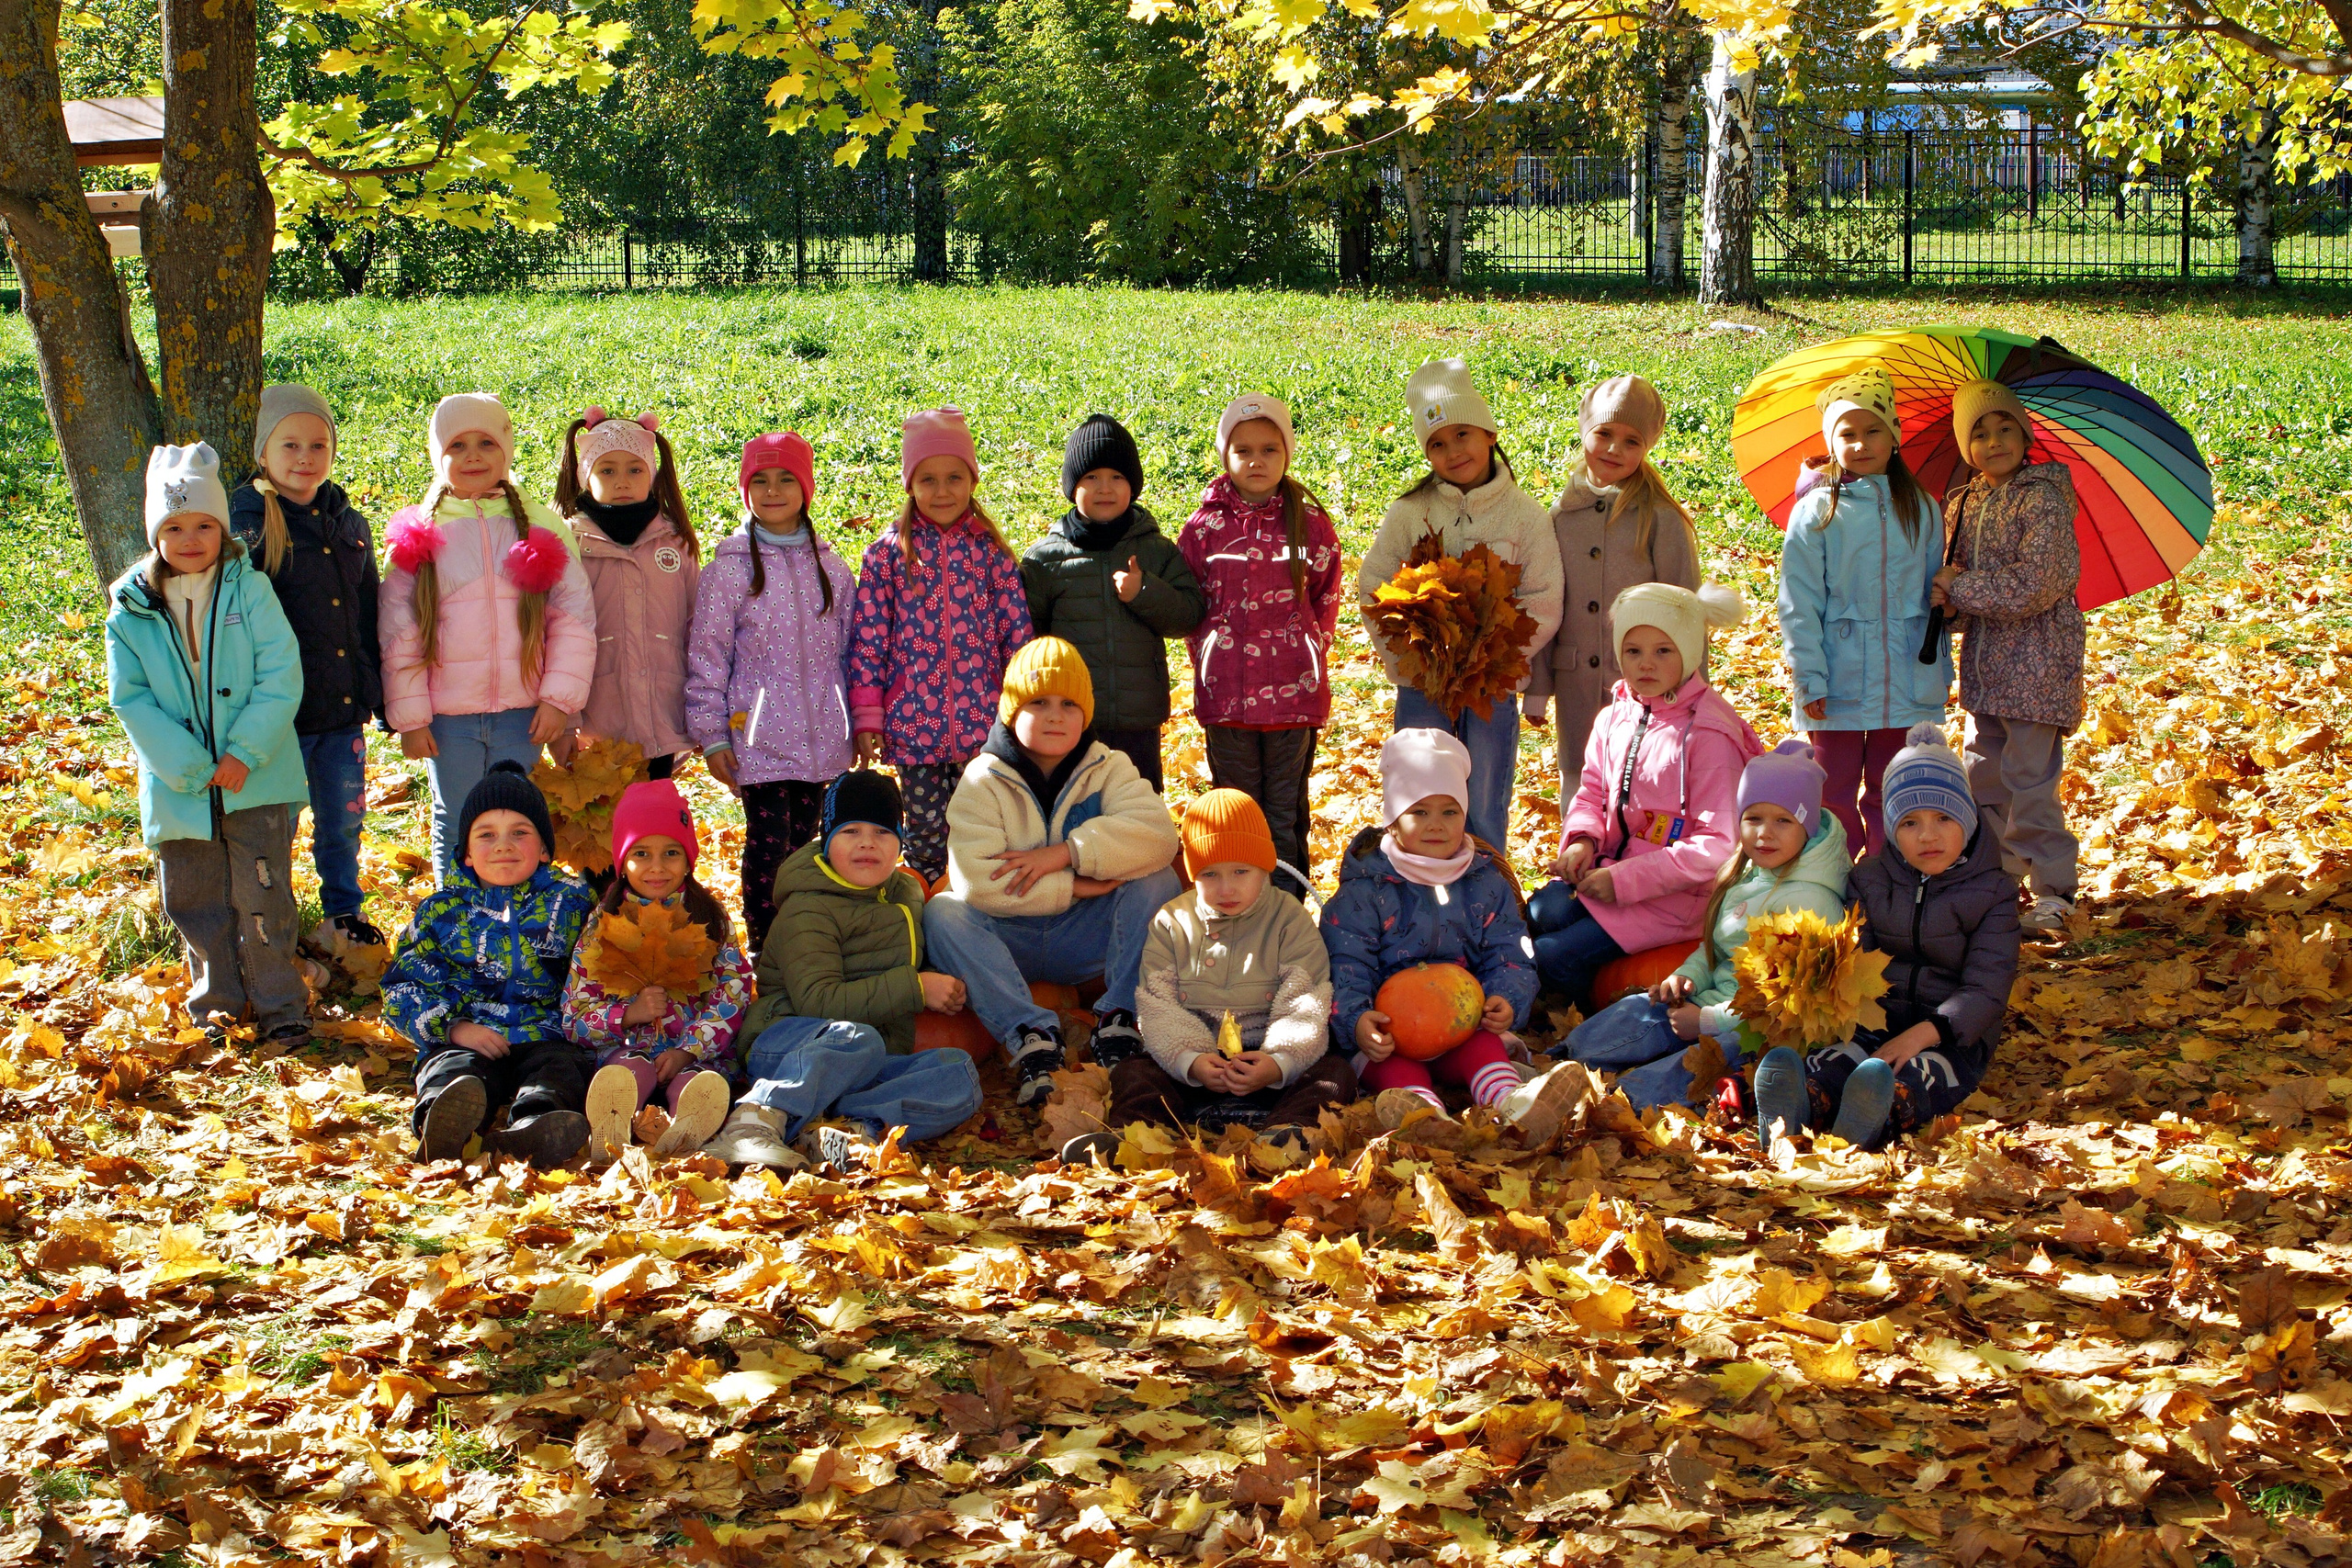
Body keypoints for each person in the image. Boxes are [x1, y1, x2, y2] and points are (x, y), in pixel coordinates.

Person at [107, 443, 312, 1051]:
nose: (190, 537)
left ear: (222, 527)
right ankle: (217, 1006)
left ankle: (281, 1005)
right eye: (174, 526)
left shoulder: (249, 591)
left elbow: (282, 674)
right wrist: (191, 766)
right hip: (180, 787)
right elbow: (131, 697)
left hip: (257, 776)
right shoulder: (130, 607)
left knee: (264, 893)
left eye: (203, 524)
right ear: (155, 532)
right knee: (194, 899)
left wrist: (243, 751)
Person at [920, 638, 1184, 1108]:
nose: (1055, 716)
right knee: (944, 911)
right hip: (1007, 943)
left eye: (1068, 704)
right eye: (1038, 703)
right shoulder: (983, 779)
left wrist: (1065, 852)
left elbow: (1158, 836)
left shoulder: (1109, 767)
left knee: (1158, 881)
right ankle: (1031, 1037)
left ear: (1085, 713)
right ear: (1010, 710)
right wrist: (1076, 885)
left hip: (1087, 942)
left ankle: (1118, 1020)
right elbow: (977, 880)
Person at [1751, 726, 2022, 1148]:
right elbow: (1856, 960)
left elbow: (1986, 988)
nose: (1927, 836)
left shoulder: (1994, 892)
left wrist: (1921, 1035)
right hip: (1874, 1020)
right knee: (1838, 1060)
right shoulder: (1869, 879)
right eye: (1909, 822)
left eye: (1943, 818)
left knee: (1920, 1076)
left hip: (1951, 1036)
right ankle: (1799, 1106)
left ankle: (1877, 1115)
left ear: (1967, 820)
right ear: (1892, 827)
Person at [707, 771, 985, 1171]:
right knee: (857, 1039)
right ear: (827, 840)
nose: (867, 842)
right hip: (790, 1043)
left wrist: (948, 983)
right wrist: (916, 988)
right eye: (851, 830)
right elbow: (818, 1001)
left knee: (956, 1072)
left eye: (883, 832)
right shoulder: (809, 907)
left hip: (868, 1056)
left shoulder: (905, 896)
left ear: (900, 843)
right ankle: (755, 1119)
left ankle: (851, 1130)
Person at [1061, 790, 1351, 1167]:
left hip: (1269, 1067)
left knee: (1333, 1073)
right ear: (1193, 874)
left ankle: (1287, 1135)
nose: (1226, 888)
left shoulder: (1288, 918)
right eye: (1210, 874)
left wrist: (1277, 1062)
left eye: (1241, 871)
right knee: (1135, 1071)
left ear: (1265, 868)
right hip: (1196, 1070)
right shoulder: (1172, 922)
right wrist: (1192, 1061)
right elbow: (1157, 1004)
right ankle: (1133, 1136)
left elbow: (1305, 998)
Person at [1560, 739, 1849, 1108]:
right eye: (1753, 818)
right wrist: (1687, 976)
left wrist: (1709, 1021)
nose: (1764, 833)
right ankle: (1561, 1063)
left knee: (1695, 1065)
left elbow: (1787, 1002)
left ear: (1806, 827)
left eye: (1783, 821)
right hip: (1709, 1005)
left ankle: (1618, 1103)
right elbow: (1714, 949)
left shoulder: (1812, 901)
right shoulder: (1746, 875)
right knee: (1635, 1012)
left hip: (1762, 1031)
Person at [379, 393, 596, 878]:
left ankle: (511, 916)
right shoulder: (420, 533)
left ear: (507, 450)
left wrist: (559, 701)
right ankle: (455, 920)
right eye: (457, 445)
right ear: (439, 457)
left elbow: (574, 620)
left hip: (523, 713)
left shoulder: (541, 526)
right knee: (457, 819)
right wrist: (411, 717)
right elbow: (399, 632)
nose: (473, 455)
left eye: (486, 443)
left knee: (515, 822)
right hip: (446, 717)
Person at [1357, 358, 1563, 851]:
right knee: (1422, 792)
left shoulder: (1525, 517)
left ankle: (1486, 892)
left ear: (1490, 433)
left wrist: (1496, 660)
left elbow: (1544, 597)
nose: (1453, 451)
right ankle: (1420, 893)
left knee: (1485, 792)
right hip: (1422, 683)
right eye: (1437, 444)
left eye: (1463, 434)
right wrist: (1412, 659)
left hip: (1491, 688)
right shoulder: (1411, 513)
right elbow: (1373, 586)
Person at [1528, 581, 1760, 1009]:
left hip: (1678, 898)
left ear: (1689, 654)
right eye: (1633, 651)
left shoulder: (1709, 734)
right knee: (1541, 912)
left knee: (1552, 957)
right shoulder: (1615, 715)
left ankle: (1596, 1004)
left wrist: (1622, 881)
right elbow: (1592, 789)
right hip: (1612, 869)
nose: (1646, 664)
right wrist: (1583, 840)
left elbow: (1718, 845)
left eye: (1663, 651)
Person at [684, 432, 857, 953]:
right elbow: (707, 657)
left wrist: (858, 722)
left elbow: (852, 652)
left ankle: (810, 945)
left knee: (812, 850)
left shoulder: (832, 568)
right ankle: (765, 949)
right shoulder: (729, 572)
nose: (773, 490)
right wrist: (713, 736)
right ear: (744, 490)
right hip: (757, 741)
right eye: (760, 480)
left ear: (806, 488)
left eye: (787, 479)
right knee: (768, 850)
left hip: (825, 739)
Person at [846, 407, 1035, 882]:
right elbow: (869, 640)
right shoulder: (889, 555)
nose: (943, 490)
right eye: (928, 479)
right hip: (913, 726)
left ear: (972, 479)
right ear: (910, 484)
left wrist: (1022, 709)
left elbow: (1018, 637)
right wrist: (869, 715)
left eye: (955, 477)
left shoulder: (990, 552)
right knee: (926, 833)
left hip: (984, 725)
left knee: (984, 827)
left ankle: (980, 916)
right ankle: (927, 915)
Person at [228, 383, 386, 948]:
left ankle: (344, 913)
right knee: (275, 827)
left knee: (342, 822)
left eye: (318, 445)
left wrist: (385, 696)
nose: (304, 457)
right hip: (276, 718)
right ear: (262, 452)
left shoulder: (347, 522)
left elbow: (369, 614)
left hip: (341, 710)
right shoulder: (241, 527)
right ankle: (274, 924)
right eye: (290, 445)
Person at [1321, 730, 1541, 1131]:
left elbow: (1510, 950)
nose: (1435, 825)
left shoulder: (1485, 882)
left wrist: (1505, 998)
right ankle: (1424, 1116)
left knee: (1486, 1048)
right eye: (1419, 812)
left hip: (1463, 1025)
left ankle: (1512, 1105)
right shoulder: (1366, 891)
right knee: (1390, 1068)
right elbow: (1345, 964)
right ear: (1392, 820)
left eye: (1449, 812)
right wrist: (1357, 1020)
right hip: (1393, 1035)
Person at [1777, 365, 1951, 860]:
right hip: (1839, 676)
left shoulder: (1921, 506)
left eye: (1873, 430)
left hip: (1905, 675)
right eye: (1846, 434)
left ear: (1894, 436)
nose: (1861, 443)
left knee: (1892, 786)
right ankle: (1834, 879)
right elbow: (1799, 600)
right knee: (1830, 793)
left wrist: (1945, 609)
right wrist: (1810, 675)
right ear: (1830, 442)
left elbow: (1930, 595)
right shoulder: (1817, 510)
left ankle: (1884, 877)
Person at [385, 762, 597, 1168]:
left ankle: (538, 1123)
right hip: (468, 1033)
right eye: (486, 835)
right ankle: (443, 1124)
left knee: (560, 1070)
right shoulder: (442, 911)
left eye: (520, 833)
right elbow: (403, 985)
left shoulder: (574, 902)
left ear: (546, 849)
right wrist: (453, 1027)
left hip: (546, 1033)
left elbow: (601, 966)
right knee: (455, 1070)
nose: (503, 845)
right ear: (465, 851)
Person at [1934, 379, 2085, 935]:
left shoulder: (2041, 496)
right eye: (1979, 433)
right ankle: (1994, 882)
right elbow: (1957, 584)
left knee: (2030, 779)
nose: (1994, 441)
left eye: (2005, 429)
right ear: (1963, 445)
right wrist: (1946, 602)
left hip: (2040, 662)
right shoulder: (1964, 502)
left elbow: (2042, 581)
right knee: (1985, 777)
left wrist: (1963, 589)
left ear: (2025, 436)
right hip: (1988, 668)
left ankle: (2054, 888)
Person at [1179, 394, 1344, 897]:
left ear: (1287, 453)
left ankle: (1288, 912)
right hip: (1227, 697)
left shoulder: (1309, 524)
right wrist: (1210, 657)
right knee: (1237, 809)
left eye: (1269, 449)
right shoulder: (1204, 529)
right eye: (1243, 449)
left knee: (1283, 809)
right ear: (1225, 456)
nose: (1256, 460)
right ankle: (1238, 910)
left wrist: (1308, 649)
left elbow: (1325, 593)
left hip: (1294, 697)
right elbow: (1190, 604)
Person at [1525, 374, 1700, 784]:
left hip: (1647, 682)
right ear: (1585, 432)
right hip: (1576, 686)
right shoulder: (1561, 516)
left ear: (1647, 448)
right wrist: (1538, 685)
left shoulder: (1661, 519)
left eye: (1631, 441)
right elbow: (1546, 601)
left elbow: (1687, 612)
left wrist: (1692, 691)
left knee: (1641, 780)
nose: (1614, 449)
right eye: (1603, 433)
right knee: (1580, 779)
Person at [565, 781, 753, 1160]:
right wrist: (626, 1015)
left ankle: (688, 1126)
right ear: (622, 860)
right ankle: (611, 1128)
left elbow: (733, 991)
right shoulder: (603, 925)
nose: (656, 866)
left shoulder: (708, 921)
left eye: (671, 852)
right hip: (625, 1049)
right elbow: (575, 1014)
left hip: (697, 1053)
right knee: (628, 1072)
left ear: (688, 859)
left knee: (695, 1083)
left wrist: (689, 1049)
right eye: (641, 853)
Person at [1021, 413, 1205, 790]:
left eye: (1117, 477)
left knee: (1139, 805)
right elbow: (1027, 638)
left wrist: (1145, 592)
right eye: (1091, 477)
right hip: (1070, 718)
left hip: (1138, 718)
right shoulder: (1045, 559)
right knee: (1075, 806)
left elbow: (1189, 614)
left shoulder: (1156, 550)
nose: (1105, 487)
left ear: (1133, 486)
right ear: (1072, 487)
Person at [554, 408, 699, 784]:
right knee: (603, 832)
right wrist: (566, 723)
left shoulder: (674, 543)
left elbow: (695, 631)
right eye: (607, 470)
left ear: (651, 475)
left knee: (652, 825)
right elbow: (553, 638)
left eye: (635, 469)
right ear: (585, 477)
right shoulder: (568, 545)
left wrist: (701, 713)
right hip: (596, 725)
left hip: (661, 715)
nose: (622, 481)